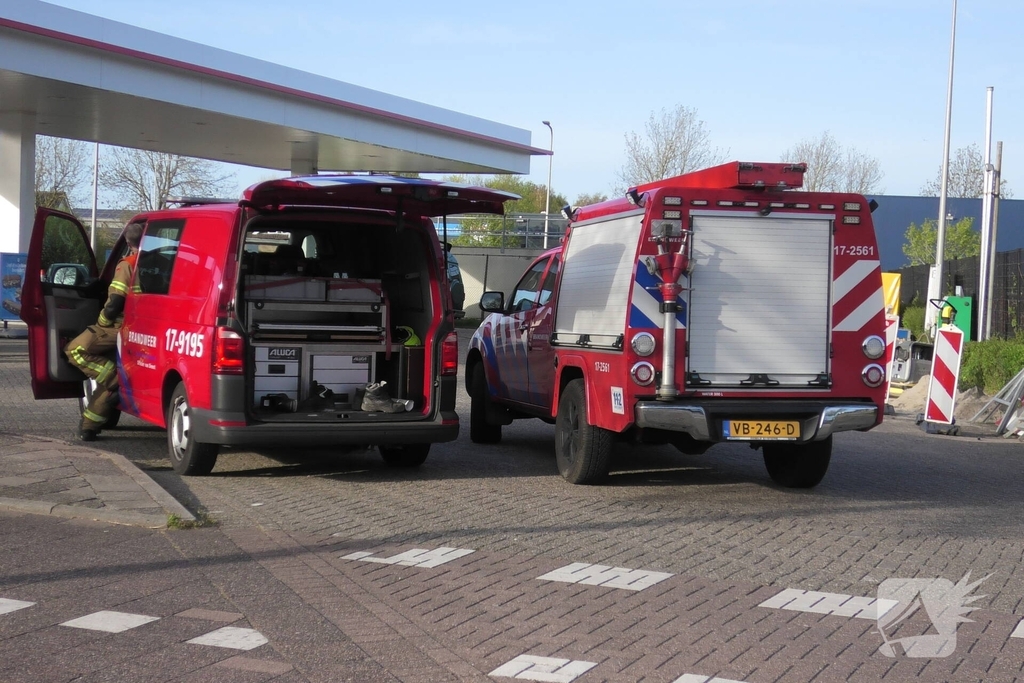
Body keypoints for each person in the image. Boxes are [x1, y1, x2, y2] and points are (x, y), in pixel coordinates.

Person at [64, 223, 143, 441]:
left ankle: (115, 381)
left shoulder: (128, 264)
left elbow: (116, 299)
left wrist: (102, 320)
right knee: (111, 375)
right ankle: (89, 426)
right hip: (146, 329)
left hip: (121, 327)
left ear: (128, 243)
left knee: (75, 350)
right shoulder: (162, 264)